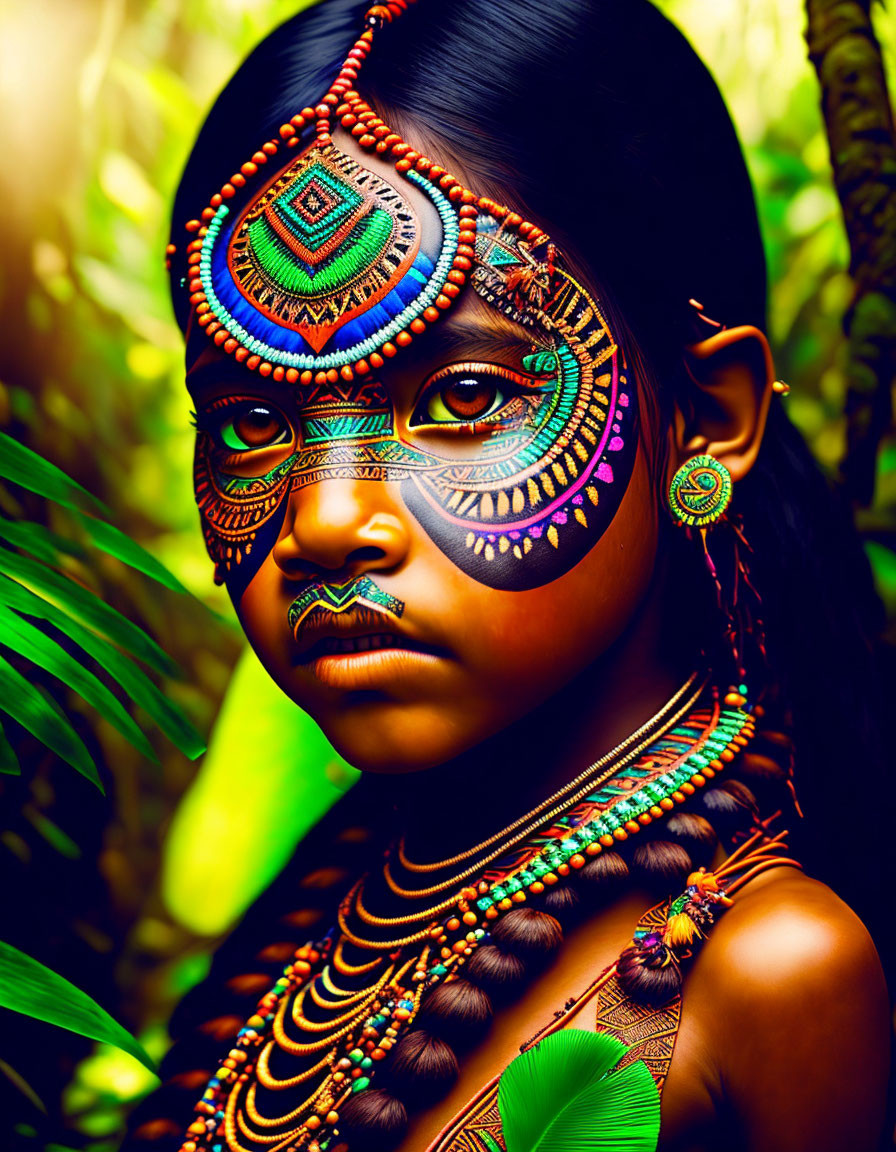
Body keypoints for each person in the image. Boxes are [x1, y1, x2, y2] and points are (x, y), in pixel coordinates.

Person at [126, 0, 891, 1148]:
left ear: (706, 420)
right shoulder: (325, 911)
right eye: (250, 423)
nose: (326, 518)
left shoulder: (769, 978)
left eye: (464, 399)